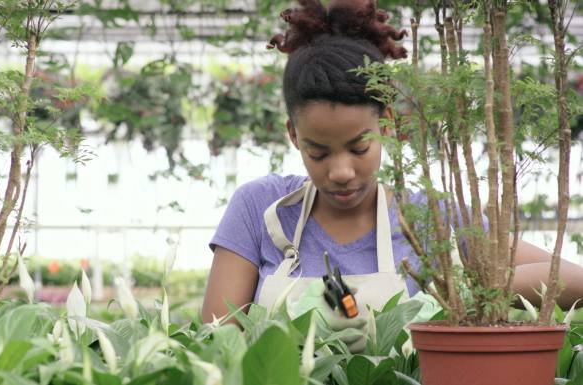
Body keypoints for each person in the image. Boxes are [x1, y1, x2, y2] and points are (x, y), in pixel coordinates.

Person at [201, 0, 583, 337]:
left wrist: (469, 288)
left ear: (386, 125)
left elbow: (573, 281)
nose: (341, 171)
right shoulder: (260, 209)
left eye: (359, 147)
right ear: (293, 136)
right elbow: (218, 341)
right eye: (318, 153)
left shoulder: (430, 221)